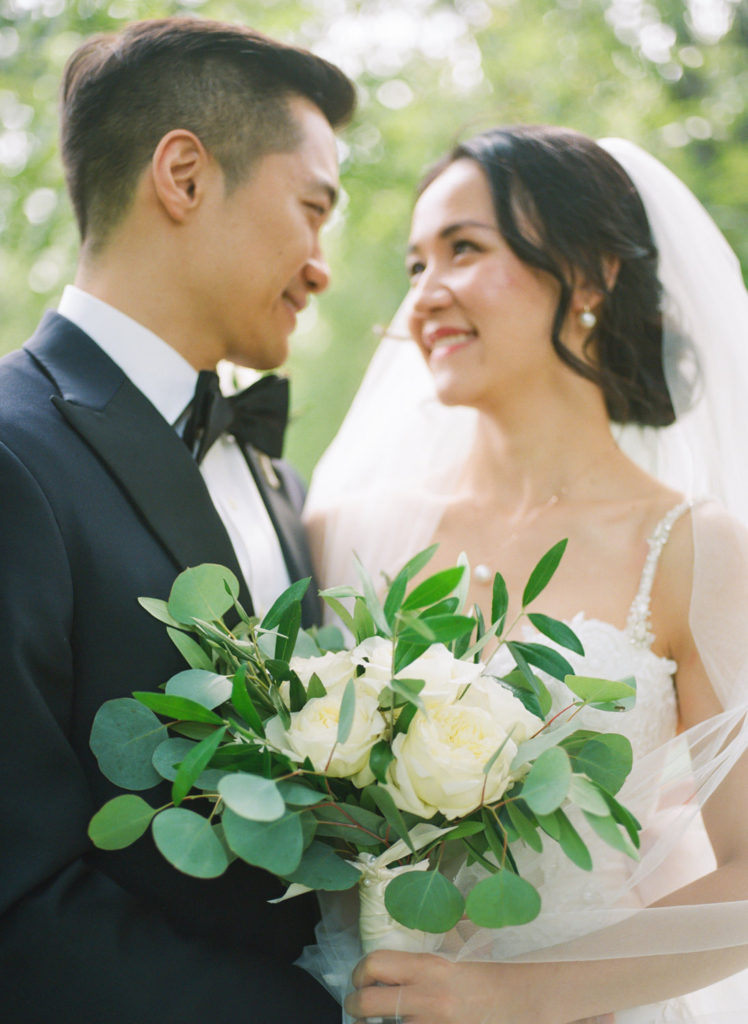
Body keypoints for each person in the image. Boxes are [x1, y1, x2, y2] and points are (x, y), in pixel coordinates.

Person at [303, 127, 748, 1021]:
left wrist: (512, 996)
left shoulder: (695, 551)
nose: (426, 296)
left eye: (464, 249)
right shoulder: (341, 530)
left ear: (589, 276)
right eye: (415, 265)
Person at [0, 17, 356, 1023]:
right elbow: (20, 904)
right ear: (185, 176)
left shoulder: (279, 482)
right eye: (311, 207)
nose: (322, 263)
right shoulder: (12, 456)